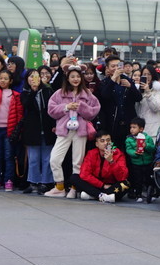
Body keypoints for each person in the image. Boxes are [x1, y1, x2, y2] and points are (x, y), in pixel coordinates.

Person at [45, 65, 101, 198]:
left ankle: (74, 188)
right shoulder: (59, 93)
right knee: (55, 159)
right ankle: (59, 186)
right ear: (67, 78)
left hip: (80, 131)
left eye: (77, 76)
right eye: (72, 77)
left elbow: (94, 111)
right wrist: (66, 107)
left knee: (78, 161)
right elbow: (51, 110)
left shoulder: (87, 94)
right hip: (64, 130)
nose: (75, 79)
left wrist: (81, 107)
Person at [20, 68, 57, 195]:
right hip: (32, 130)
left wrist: (54, 125)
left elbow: (52, 109)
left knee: (47, 158)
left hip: (47, 129)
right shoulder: (25, 92)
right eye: (31, 76)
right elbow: (27, 105)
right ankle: (33, 182)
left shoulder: (47, 90)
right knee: (33, 158)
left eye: (36, 76)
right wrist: (33, 91)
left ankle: (46, 182)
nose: (33, 79)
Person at [98, 55, 142, 149]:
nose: (116, 68)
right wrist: (113, 79)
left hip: (128, 123)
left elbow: (138, 98)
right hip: (111, 124)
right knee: (111, 150)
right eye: (113, 66)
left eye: (118, 65)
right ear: (108, 68)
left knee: (129, 150)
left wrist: (130, 86)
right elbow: (104, 95)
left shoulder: (128, 80)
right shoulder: (104, 83)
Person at [77, 130, 129, 203]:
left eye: (108, 140)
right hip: (96, 184)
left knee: (126, 184)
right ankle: (103, 196)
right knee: (74, 177)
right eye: (102, 141)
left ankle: (93, 195)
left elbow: (122, 177)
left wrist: (111, 161)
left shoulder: (118, 153)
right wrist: (102, 185)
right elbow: (84, 174)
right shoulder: (91, 153)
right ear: (97, 144)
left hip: (111, 186)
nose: (106, 143)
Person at [125, 117, 155, 202]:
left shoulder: (148, 138)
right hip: (136, 163)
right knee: (138, 179)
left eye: (134, 127)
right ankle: (138, 194)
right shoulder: (129, 139)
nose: (132, 130)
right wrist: (134, 153)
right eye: (131, 127)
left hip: (147, 162)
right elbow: (128, 149)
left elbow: (153, 149)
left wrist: (146, 146)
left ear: (141, 129)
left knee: (148, 179)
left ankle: (151, 194)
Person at [137, 65, 160, 137]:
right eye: (144, 74)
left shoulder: (158, 90)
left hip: (154, 130)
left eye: (149, 74)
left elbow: (156, 108)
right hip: (141, 129)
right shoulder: (139, 90)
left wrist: (148, 93)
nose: (146, 76)